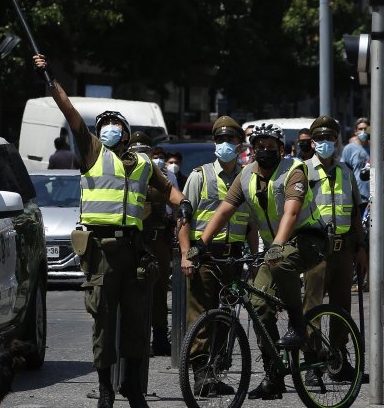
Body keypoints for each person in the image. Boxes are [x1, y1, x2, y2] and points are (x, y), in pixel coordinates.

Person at [33, 54, 191, 408]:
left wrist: (184, 204)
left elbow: (168, 191)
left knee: (138, 322)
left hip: (135, 252)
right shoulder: (92, 151)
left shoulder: (144, 163)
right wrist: (50, 79)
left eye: (113, 124)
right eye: (102, 124)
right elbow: (70, 112)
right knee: (103, 323)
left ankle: (132, 387)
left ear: (126, 132)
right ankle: (106, 390)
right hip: (101, 253)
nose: (107, 128)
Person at [187, 122, 326, 400]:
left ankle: (298, 325)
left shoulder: (294, 170)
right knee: (258, 304)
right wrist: (200, 244)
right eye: (259, 146)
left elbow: (291, 212)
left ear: (281, 149)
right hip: (276, 249)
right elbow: (224, 210)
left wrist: (275, 246)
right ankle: (274, 376)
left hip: (308, 239)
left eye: (270, 146)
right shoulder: (246, 175)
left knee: (282, 262)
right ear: (252, 150)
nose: (264, 150)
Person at [178, 116, 257, 396]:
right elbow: (184, 218)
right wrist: (187, 254)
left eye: (231, 140)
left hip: (233, 256)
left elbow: (251, 223)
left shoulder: (247, 176)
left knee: (226, 316)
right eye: (220, 140)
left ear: (239, 145)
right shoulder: (200, 175)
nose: (225, 144)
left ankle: (216, 371)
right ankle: (200, 374)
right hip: (205, 257)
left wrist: (255, 257)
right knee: (200, 314)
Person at [301, 116, 367, 384]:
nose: (326, 143)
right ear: (313, 142)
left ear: (337, 142)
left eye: (331, 138)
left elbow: (354, 214)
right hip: (315, 251)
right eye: (321, 139)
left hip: (343, 251)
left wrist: (361, 248)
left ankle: (338, 361)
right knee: (313, 308)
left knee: (342, 308)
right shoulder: (303, 171)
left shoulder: (346, 172)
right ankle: (313, 365)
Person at [127, 133, 172, 357]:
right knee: (133, 290)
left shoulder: (161, 176)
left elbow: (169, 205)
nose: (140, 156)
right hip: (133, 240)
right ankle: (135, 338)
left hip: (157, 240)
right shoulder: (125, 175)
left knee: (160, 291)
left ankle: (161, 336)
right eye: (135, 151)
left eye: (144, 151)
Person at [342, 118, 371, 217]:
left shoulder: (376, 148)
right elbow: (344, 172)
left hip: (372, 197)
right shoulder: (349, 149)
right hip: (356, 196)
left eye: (365, 129)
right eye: (360, 129)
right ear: (355, 131)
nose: (363, 131)